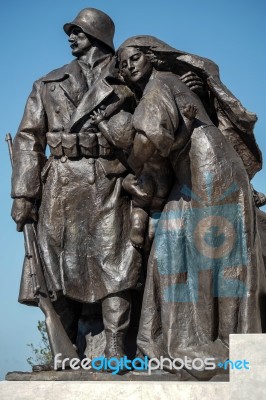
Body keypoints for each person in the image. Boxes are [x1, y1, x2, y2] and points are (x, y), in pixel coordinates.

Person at [116, 36, 266, 379]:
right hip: (197, 174)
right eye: (123, 64)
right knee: (172, 248)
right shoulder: (163, 85)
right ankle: (173, 339)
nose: (128, 67)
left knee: (219, 254)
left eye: (134, 58)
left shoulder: (161, 83)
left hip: (210, 170)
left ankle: (226, 346)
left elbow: (152, 136)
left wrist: (130, 167)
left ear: (152, 57)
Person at [11, 9, 142, 367]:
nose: (70, 37)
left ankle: (116, 348)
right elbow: (28, 140)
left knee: (115, 263)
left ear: (98, 35)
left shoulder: (127, 80)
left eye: (78, 31)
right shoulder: (47, 83)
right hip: (60, 183)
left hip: (108, 178)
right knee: (54, 268)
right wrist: (24, 194)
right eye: (70, 32)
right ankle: (64, 350)